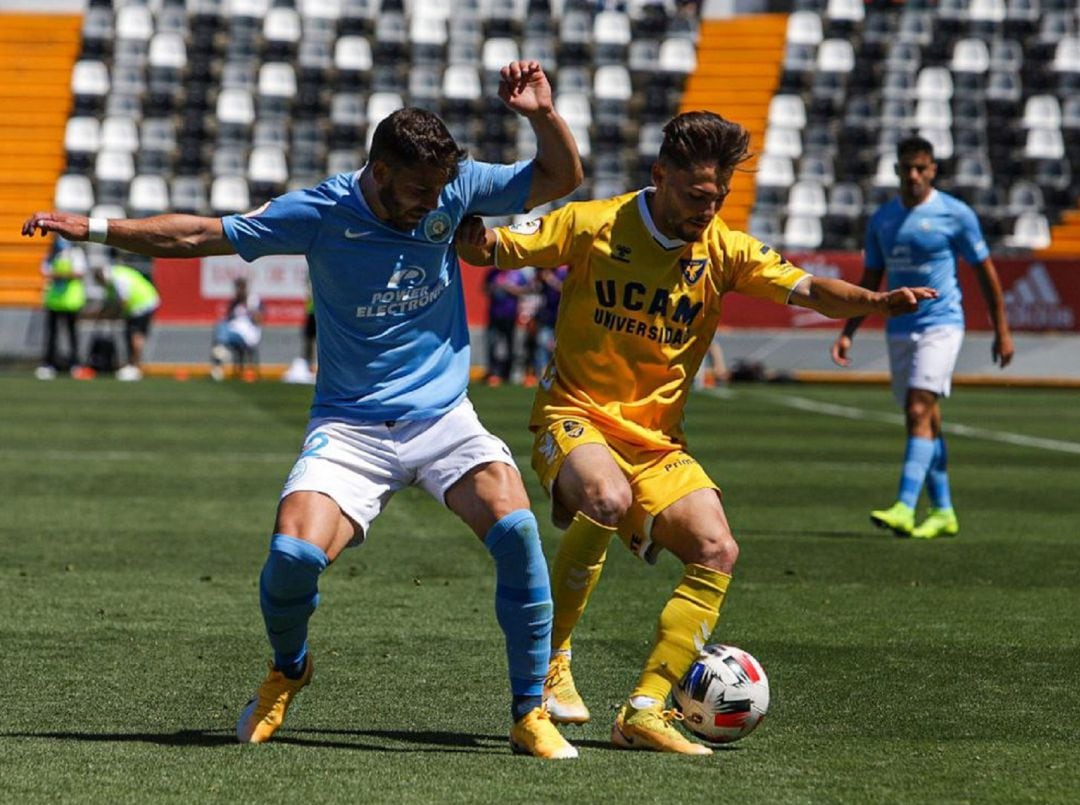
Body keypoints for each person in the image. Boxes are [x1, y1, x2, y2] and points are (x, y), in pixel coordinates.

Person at [22, 60, 584, 759]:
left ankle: (530, 709)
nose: (431, 205)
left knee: (518, 532)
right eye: (416, 190)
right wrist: (94, 228)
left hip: (443, 417)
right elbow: (198, 235)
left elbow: (562, 180)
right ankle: (290, 669)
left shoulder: (454, 186)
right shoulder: (318, 212)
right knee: (291, 555)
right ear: (378, 171)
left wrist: (540, 114)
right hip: (350, 426)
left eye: (438, 190)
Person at [456, 110, 936, 755]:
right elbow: (490, 250)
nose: (706, 210)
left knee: (717, 548)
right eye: (695, 195)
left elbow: (810, 287)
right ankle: (550, 660)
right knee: (605, 497)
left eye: (719, 198)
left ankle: (645, 710)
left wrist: (875, 304)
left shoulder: (725, 250)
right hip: (574, 414)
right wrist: (457, 215)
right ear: (660, 177)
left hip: (657, 442)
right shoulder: (596, 223)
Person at [831, 135, 1014, 540]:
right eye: (907, 168)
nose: (914, 175)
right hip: (899, 328)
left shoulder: (955, 214)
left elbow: (986, 273)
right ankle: (944, 510)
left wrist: (1001, 329)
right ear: (897, 170)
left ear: (933, 170)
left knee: (917, 409)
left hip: (942, 323)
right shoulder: (882, 220)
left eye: (922, 168)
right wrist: (849, 331)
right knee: (925, 418)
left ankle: (904, 506)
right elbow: (871, 280)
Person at [94, 258, 161, 381]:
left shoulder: (118, 279)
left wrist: (114, 315)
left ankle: (134, 366)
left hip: (142, 304)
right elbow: (110, 302)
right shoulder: (113, 278)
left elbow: (124, 301)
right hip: (139, 304)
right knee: (130, 334)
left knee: (135, 335)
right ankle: (132, 365)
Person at [37, 236, 87, 379]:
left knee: (72, 334)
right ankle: (48, 364)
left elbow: (79, 272)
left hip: (71, 301)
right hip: (54, 301)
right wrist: (63, 274)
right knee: (52, 335)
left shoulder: (76, 253)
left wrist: (59, 274)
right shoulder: (52, 253)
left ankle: (75, 364)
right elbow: (44, 270)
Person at [482, 266, 532, 386]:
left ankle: (507, 374)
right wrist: (494, 287)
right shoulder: (493, 273)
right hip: (494, 314)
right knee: (492, 344)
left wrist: (510, 288)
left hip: (510, 315)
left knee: (511, 345)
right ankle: (493, 373)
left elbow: (527, 289)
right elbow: (484, 289)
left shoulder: (517, 274)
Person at [210, 276, 264, 381]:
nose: (238, 291)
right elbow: (228, 319)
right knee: (221, 327)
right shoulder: (235, 303)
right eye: (237, 288)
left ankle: (221, 358)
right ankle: (221, 354)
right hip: (233, 333)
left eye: (241, 287)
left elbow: (259, 320)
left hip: (248, 335)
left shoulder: (253, 300)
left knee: (222, 332)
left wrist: (250, 308)